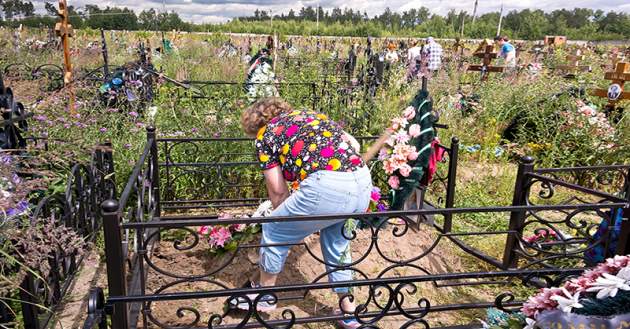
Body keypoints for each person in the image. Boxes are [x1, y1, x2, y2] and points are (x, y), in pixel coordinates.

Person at [235, 98, 373, 329]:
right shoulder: (312, 117)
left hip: (327, 187)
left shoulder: (266, 134)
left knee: (273, 228)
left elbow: (278, 192)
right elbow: (355, 146)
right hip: (361, 183)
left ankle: (264, 296)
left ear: (255, 125)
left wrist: (287, 226)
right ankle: (349, 313)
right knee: (338, 244)